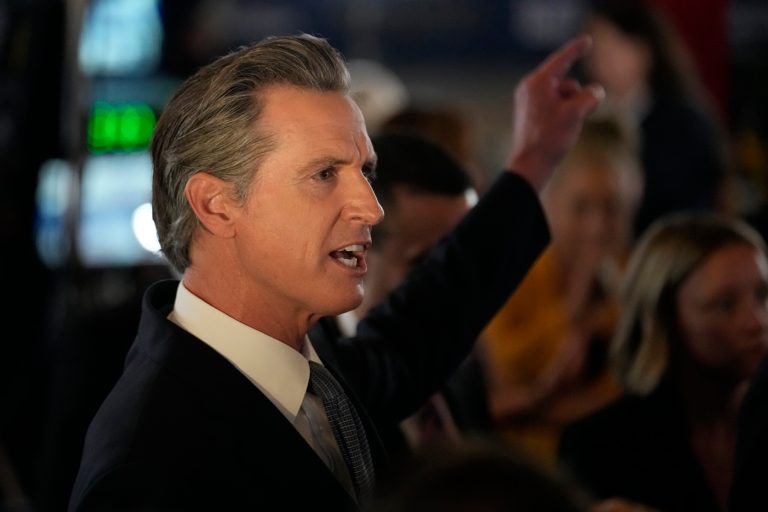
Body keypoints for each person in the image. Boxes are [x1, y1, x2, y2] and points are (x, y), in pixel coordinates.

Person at [68, 33, 603, 511]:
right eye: (325, 174)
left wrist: (534, 160)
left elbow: (429, 318)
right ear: (215, 205)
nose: (371, 208)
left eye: (364, 171)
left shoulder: (315, 362)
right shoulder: (146, 468)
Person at [558, 212, 768, 512]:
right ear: (665, 319)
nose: (757, 322)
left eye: (763, 295)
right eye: (726, 305)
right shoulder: (601, 445)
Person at [480, 116, 643, 470]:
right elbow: (509, 372)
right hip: (530, 462)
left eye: (612, 208)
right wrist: (572, 310)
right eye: (581, 207)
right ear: (550, 204)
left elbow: (642, 389)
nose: (597, 226)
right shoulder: (514, 274)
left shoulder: (637, 278)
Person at [584, 0, 727, 237]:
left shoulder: (686, 126)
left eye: (615, 43)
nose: (603, 58)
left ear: (646, 50)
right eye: (596, 47)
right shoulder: (583, 119)